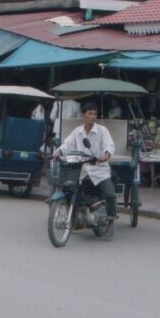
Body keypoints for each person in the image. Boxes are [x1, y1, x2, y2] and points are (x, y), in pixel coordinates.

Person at [54, 101, 117, 237]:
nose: (92, 116)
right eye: (90, 114)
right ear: (83, 115)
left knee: (111, 195)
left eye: (94, 114)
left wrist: (105, 156)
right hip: (82, 169)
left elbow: (110, 145)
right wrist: (58, 151)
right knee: (72, 190)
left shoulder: (102, 130)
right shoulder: (77, 132)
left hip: (100, 169)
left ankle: (111, 218)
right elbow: (67, 143)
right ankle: (78, 216)